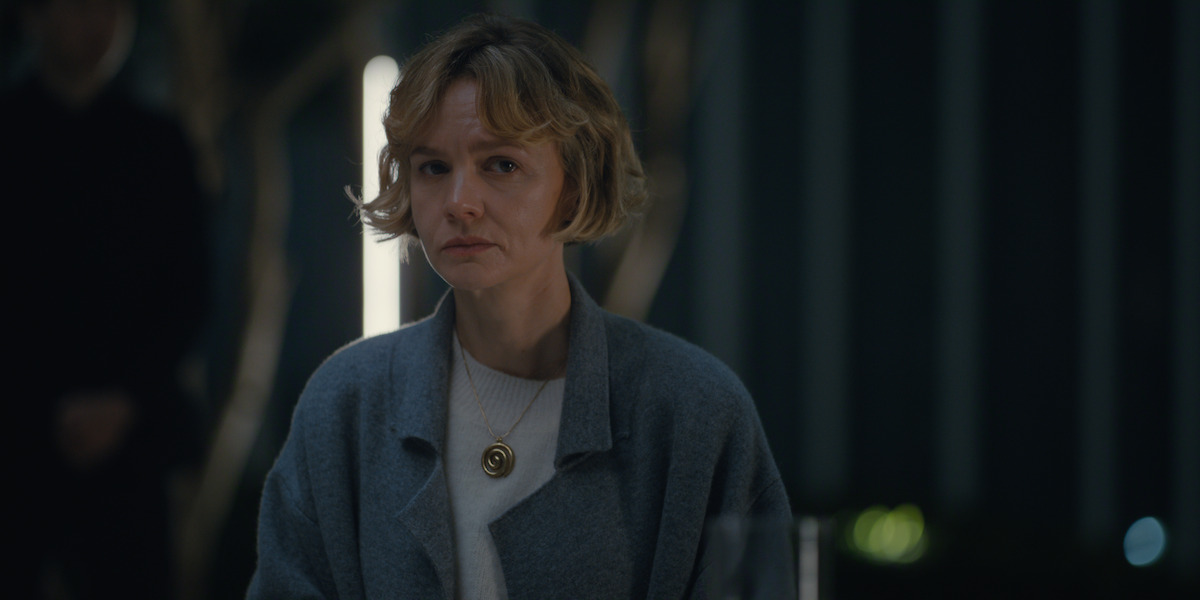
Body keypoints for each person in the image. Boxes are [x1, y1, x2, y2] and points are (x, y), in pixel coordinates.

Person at [248, 13, 790, 599]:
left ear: (575, 186)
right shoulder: (345, 404)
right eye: (433, 167)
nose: (459, 203)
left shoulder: (692, 411)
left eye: (501, 165)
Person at [3, 0, 209, 597]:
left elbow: (188, 292)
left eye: (114, 9)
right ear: (35, 17)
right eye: (79, 8)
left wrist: (122, 400)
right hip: (15, 435)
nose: (99, 24)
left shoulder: (159, 144)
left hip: (130, 437)